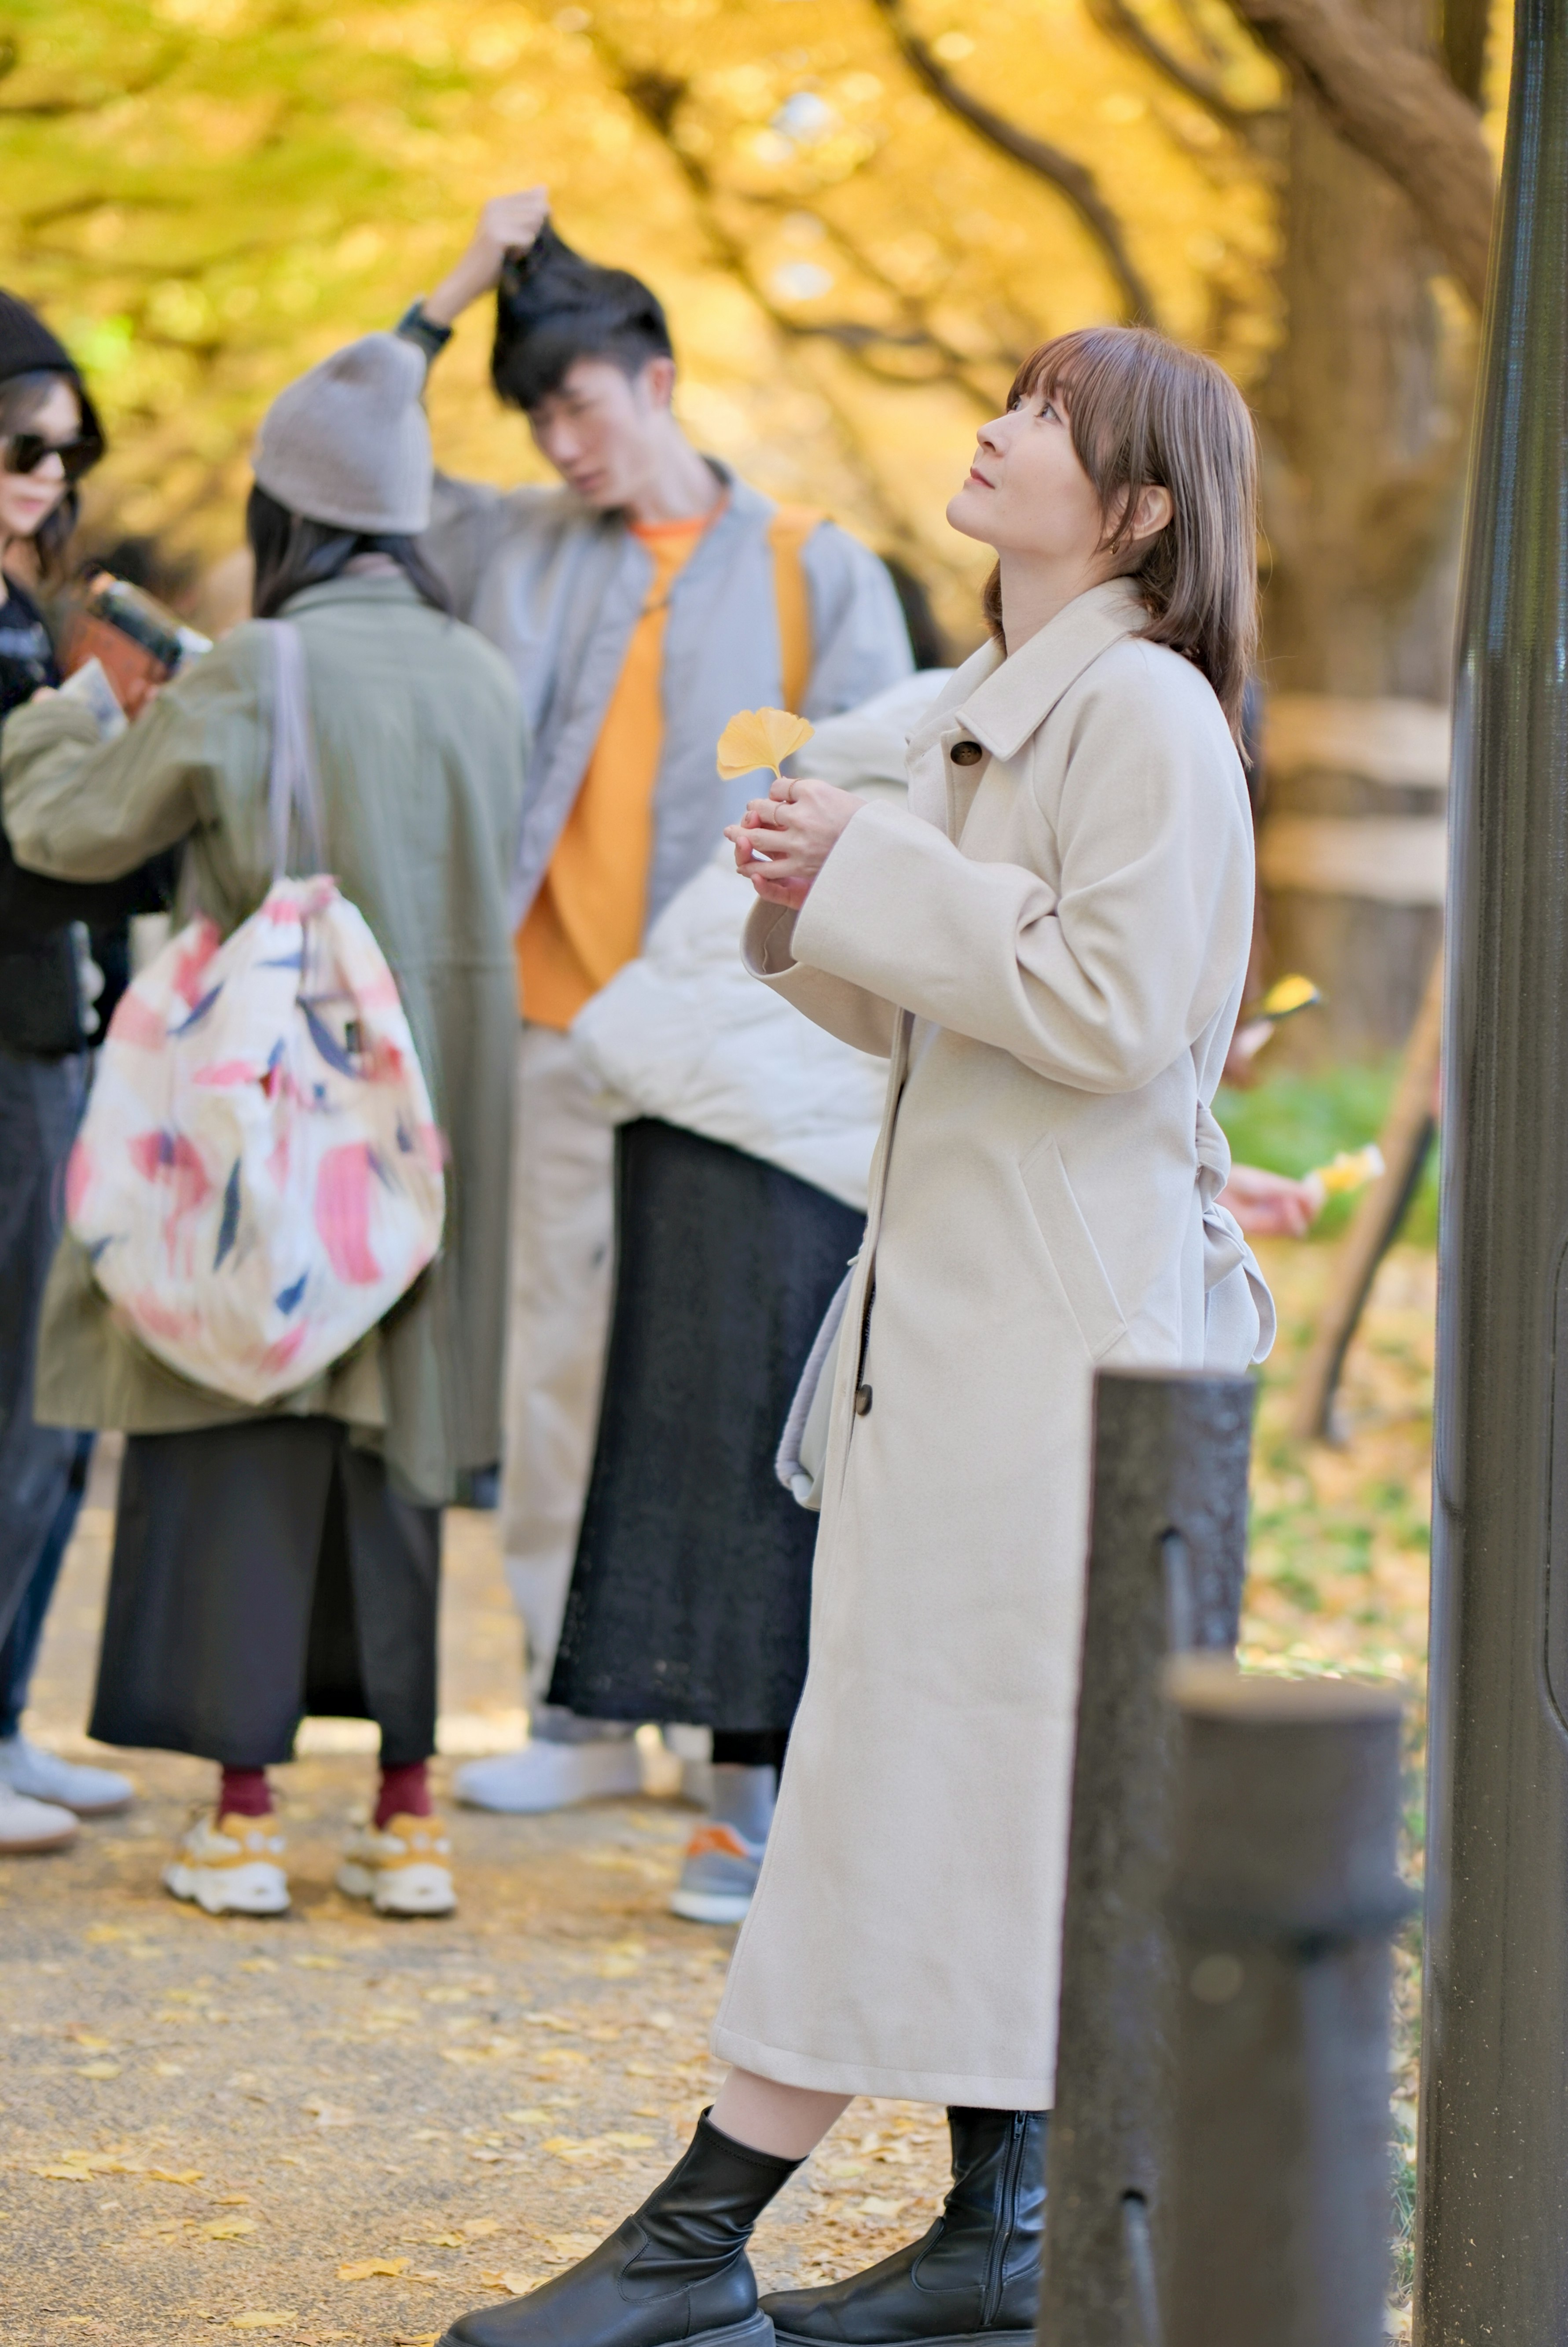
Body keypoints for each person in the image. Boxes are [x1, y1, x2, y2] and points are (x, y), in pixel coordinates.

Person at [432, 324, 1271, 2347]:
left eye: (1043, 421)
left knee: (913, 1764)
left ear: (1138, 508)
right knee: (978, 1772)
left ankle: (701, 2234)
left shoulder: (1144, 714)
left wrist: (874, 880)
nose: (994, 434)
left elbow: (1115, 1012)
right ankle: (1005, 2232)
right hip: (971, 1326)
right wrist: (812, 912)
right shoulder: (1010, 716)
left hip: (1053, 1351)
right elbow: (942, 1041)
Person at [393, 192, 914, 1815]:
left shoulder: (812, 567)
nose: (559, 439)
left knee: (729, 1374)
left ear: (662, 377)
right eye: (535, 415)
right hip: (554, 1034)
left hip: (744, 1055)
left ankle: (731, 1716)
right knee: (553, 1366)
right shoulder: (513, 548)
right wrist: (460, 283)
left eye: (580, 401)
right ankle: (576, 1714)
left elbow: (899, 795)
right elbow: (337, 449)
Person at [0, 335, 525, 1917]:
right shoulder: (484, 672)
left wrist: (65, 712)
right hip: (438, 1109)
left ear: (283, 511)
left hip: (273, 1112)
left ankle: (241, 1818)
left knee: (240, 1413)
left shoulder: (253, 669)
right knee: (398, 1446)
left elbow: (68, 829)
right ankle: (407, 1812)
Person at [555, 665, 950, 1923]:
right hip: (761, 1111)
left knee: (739, 1460)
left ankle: (746, 1821)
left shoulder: (976, 705)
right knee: (771, 1472)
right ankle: (743, 1831)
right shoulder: (993, 722)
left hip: (709, 1094)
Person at [0, 289, 158, 1858]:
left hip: (60, 1037)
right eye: (18, 442)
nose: (48, 471)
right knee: (23, 1402)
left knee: (52, 1412)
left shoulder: (32, 620)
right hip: (16, 1049)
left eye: (66, 447)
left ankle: (8, 1720)